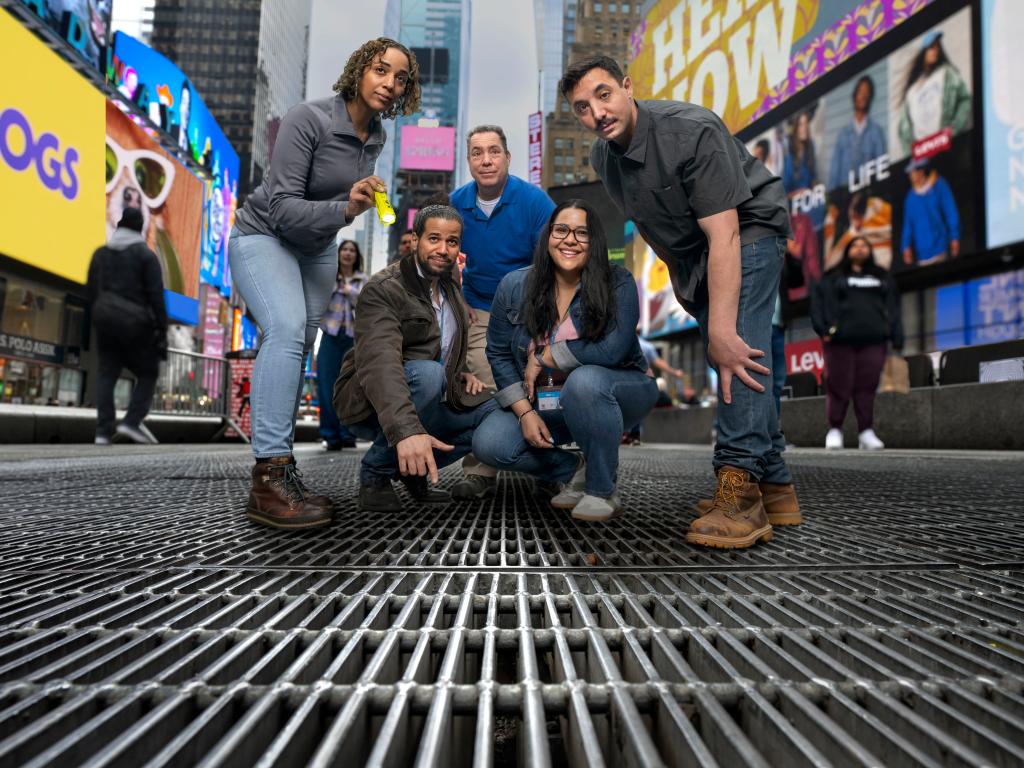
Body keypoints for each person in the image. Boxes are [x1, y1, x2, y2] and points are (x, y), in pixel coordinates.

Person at [560, 55, 801, 547]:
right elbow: (653, 227)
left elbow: (727, 233)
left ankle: (742, 494)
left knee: (735, 351)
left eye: (604, 95)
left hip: (748, 229)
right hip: (696, 256)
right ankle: (776, 487)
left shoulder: (691, 130)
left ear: (627, 88)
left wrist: (719, 327)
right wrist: (687, 286)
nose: (597, 112)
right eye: (582, 108)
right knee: (734, 351)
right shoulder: (603, 158)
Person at [228, 37, 420, 529]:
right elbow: (282, 207)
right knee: (287, 330)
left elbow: (336, 206)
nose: (389, 83)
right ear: (359, 70)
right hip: (263, 237)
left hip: (317, 250)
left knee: (300, 348)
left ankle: (283, 470)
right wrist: (348, 207)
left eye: (400, 78)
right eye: (381, 70)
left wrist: (362, 198)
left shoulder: (375, 136)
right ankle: (268, 475)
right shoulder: (307, 119)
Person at [473, 200, 657, 522]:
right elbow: (499, 353)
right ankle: (574, 470)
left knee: (584, 382)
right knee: (490, 444)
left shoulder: (618, 282)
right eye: (561, 230)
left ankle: (602, 489)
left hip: (616, 393)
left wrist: (546, 355)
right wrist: (525, 412)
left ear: (594, 241)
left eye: (582, 233)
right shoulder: (514, 286)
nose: (570, 239)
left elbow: (612, 350)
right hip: (544, 403)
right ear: (548, 236)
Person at [334, 204, 496, 511]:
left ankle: (411, 470)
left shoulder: (450, 283)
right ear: (416, 238)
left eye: (452, 242)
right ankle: (376, 473)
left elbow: (442, 343)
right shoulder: (384, 288)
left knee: (492, 410)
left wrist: (460, 372)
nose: (443, 249)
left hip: (429, 394)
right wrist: (408, 432)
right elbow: (380, 366)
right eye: (434, 239)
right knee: (429, 375)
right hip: (371, 401)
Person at [448, 124, 556, 500]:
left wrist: (546, 319)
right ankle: (480, 469)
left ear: (508, 158)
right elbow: (441, 259)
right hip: (479, 309)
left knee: (542, 388)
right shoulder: (455, 203)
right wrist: (458, 305)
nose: (486, 160)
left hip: (532, 311)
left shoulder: (535, 202)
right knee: (486, 385)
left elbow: (555, 260)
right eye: (477, 152)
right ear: (469, 161)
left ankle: (548, 466)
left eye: (494, 151)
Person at [811, 236, 903, 450]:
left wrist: (897, 337)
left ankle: (866, 432)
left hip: (874, 340)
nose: (860, 249)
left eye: (864, 246)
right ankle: (835, 429)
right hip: (840, 341)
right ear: (848, 251)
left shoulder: (883, 278)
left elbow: (895, 309)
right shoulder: (833, 277)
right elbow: (817, 303)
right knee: (838, 387)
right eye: (855, 246)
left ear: (870, 251)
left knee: (867, 388)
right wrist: (823, 330)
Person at [86, 207, 167, 446]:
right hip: (135, 323)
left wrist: (97, 316)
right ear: (140, 228)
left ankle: (102, 431)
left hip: (105, 319)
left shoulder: (100, 253)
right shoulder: (145, 256)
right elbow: (156, 296)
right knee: (148, 372)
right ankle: (131, 421)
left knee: (106, 374)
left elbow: (90, 290)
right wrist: (161, 331)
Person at [316, 239, 368, 450]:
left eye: (351, 250)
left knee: (351, 388)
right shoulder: (328, 277)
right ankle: (331, 435)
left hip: (353, 339)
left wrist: (348, 290)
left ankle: (349, 433)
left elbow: (366, 304)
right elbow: (319, 302)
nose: (347, 253)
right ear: (338, 254)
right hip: (330, 336)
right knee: (326, 387)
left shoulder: (363, 279)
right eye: (344, 250)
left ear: (356, 256)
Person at [897, 30, 971, 156]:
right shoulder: (912, 89)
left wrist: (955, 129)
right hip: (923, 153)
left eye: (937, 47)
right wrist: (911, 154)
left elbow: (965, 99)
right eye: (931, 47)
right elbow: (903, 129)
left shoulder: (947, 74)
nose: (935, 51)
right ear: (924, 52)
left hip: (945, 147)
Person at [827, 75, 887, 192]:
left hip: (869, 194)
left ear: (870, 97)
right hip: (845, 197)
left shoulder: (876, 132)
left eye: (867, 92)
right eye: (860, 91)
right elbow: (834, 174)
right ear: (855, 96)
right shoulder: (843, 135)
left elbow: (882, 169)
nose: (863, 96)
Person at [901, 158, 960, 266]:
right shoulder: (910, 198)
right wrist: (905, 246)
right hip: (922, 256)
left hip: (941, 249)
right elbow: (908, 224)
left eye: (912, 172)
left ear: (921, 172)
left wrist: (954, 237)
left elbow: (950, 212)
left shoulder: (939, 185)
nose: (910, 175)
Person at [782, 109, 818, 193]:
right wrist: (798, 193)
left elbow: (814, 177)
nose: (804, 128)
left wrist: (815, 185)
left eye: (806, 124)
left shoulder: (811, 148)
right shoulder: (789, 157)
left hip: (811, 200)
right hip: (795, 203)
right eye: (801, 125)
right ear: (795, 128)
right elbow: (785, 191)